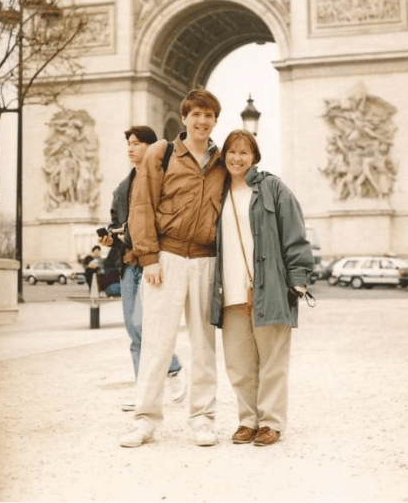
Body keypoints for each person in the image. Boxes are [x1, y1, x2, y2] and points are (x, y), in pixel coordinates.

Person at [120, 89, 226, 448]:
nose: (202, 121)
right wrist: (148, 256)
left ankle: (203, 418)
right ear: (184, 118)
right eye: (196, 114)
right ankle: (145, 419)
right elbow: (141, 205)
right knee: (156, 342)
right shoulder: (160, 154)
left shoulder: (223, 160)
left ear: (215, 120)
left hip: (206, 259)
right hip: (166, 258)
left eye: (208, 115)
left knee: (204, 345)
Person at [210, 130, 314, 447]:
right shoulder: (216, 191)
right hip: (230, 292)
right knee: (239, 364)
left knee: (272, 362)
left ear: (255, 156)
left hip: (268, 288)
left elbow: (295, 233)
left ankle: (270, 423)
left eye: (245, 152)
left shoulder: (273, 188)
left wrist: (298, 276)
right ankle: (247, 421)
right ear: (223, 155)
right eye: (232, 151)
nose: (237, 157)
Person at [99, 126, 186, 411]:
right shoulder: (122, 187)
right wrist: (111, 236)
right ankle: (144, 394)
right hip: (128, 263)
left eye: (136, 143)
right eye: (128, 143)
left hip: (152, 262)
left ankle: (172, 368)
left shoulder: (164, 179)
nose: (130, 148)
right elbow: (116, 222)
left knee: (144, 326)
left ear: (152, 147)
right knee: (133, 330)